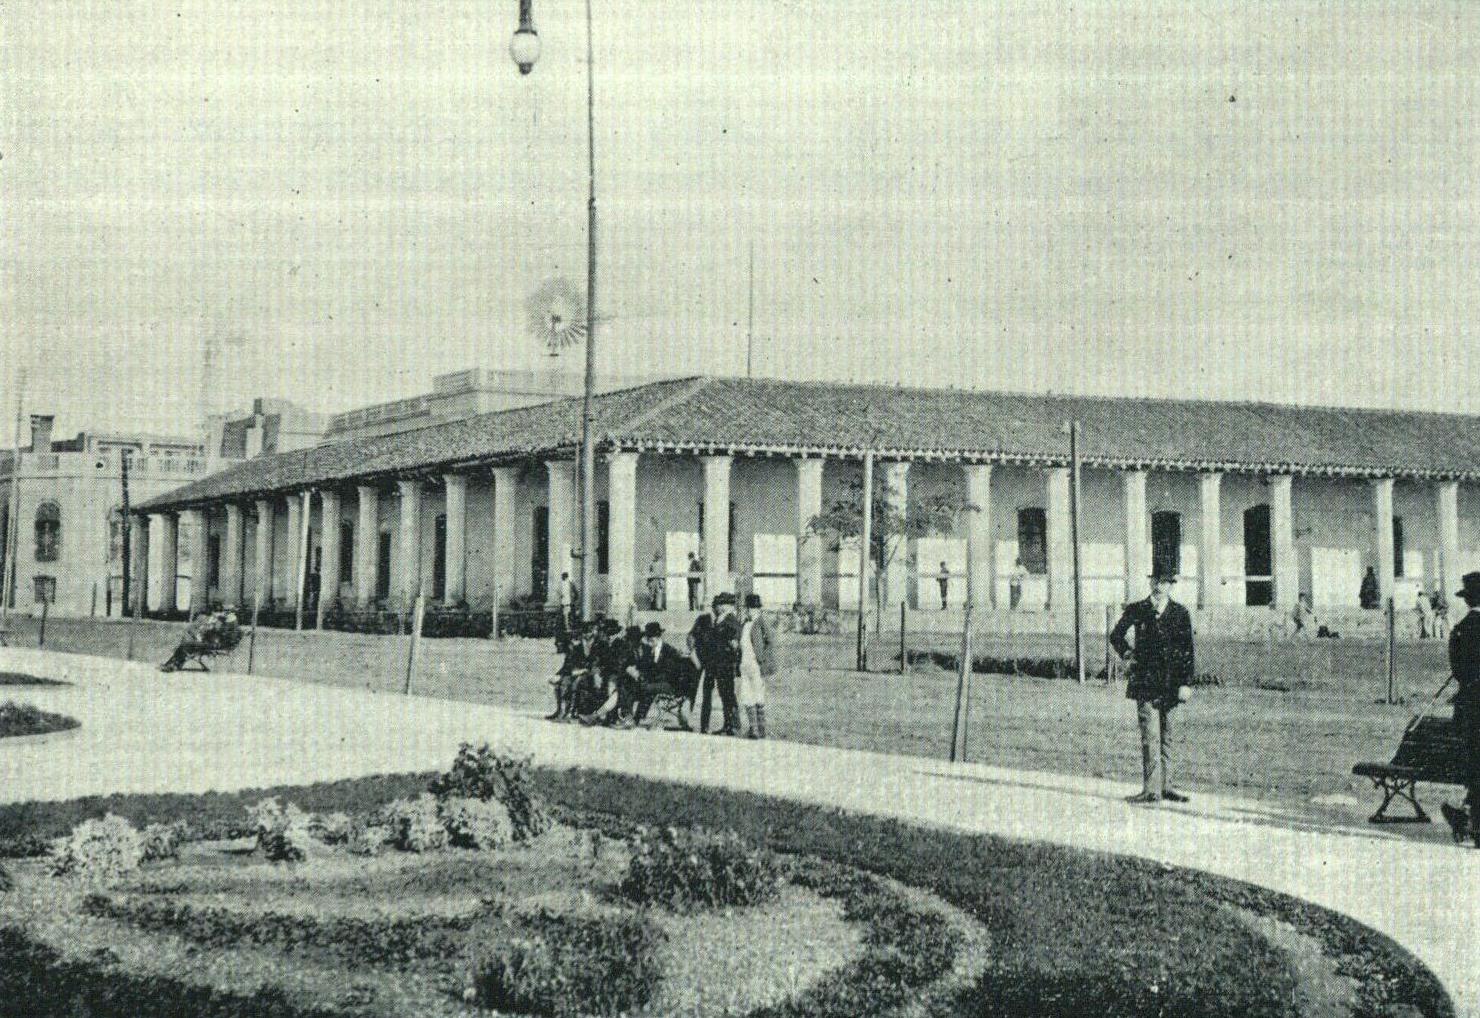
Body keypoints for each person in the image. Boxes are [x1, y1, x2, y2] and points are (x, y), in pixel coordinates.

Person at [1109, 572, 1196, 805]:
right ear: (1150, 582)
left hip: (1171, 684)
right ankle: (1151, 790)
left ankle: (1167, 786)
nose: (1160, 586)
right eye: (1156, 581)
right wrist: (1127, 654)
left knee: (1168, 736)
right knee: (1151, 736)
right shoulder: (1138, 609)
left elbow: (1188, 650)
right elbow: (1116, 635)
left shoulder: (1180, 613)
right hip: (1146, 683)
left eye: (1165, 582)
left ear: (1171, 586)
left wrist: (1186, 683)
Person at [1441, 572, 1480, 848]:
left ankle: (1471, 820)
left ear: (1467, 601)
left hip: (1469, 709)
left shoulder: (1460, 630)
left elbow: (1459, 671)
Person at [630, 621, 696, 728]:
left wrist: (650, 678)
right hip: (657, 683)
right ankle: (637, 717)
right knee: (643, 687)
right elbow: (646, 668)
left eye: (652, 640)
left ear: (658, 637)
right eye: (648, 640)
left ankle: (637, 718)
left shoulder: (669, 651)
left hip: (670, 684)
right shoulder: (649, 651)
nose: (650, 643)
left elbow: (670, 673)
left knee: (647, 688)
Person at [738, 593, 778, 738]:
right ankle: (753, 729)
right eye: (749, 608)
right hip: (744, 663)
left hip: (755, 664)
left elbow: (770, 641)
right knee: (747, 695)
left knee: (758, 695)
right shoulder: (745, 623)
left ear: (757, 609)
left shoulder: (761, 622)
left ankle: (761, 729)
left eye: (753, 608)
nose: (750, 611)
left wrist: (763, 660)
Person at [549, 623, 597, 720]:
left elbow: (594, 663)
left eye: (589, 632)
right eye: (584, 633)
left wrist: (582, 671)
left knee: (574, 682)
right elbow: (568, 665)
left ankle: (570, 711)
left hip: (590, 673)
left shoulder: (596, 645)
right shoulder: (577, 648)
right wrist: (558, 675)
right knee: (560, 682)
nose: (586, 635)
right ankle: (561, 710)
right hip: (578, 672)